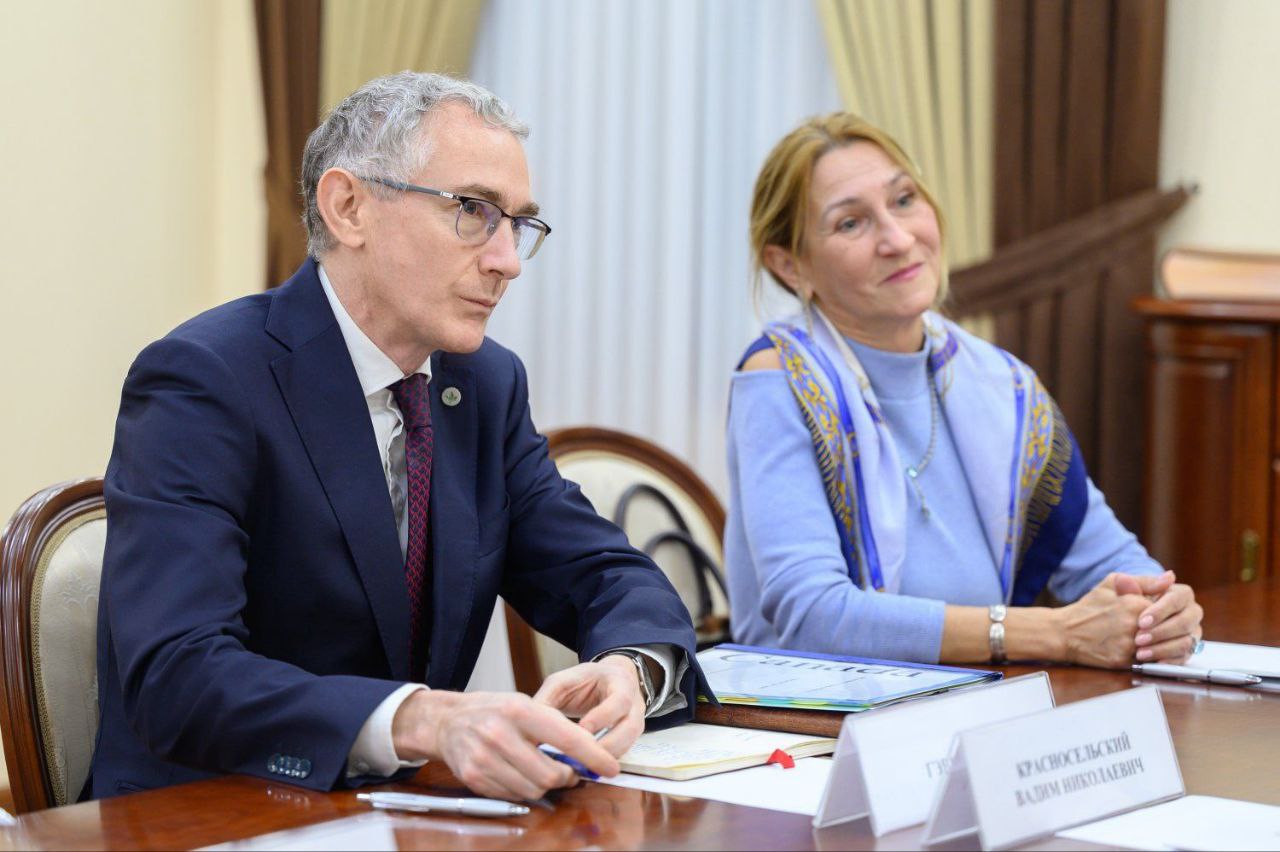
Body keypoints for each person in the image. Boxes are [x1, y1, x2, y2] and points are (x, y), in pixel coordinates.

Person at [90, 72, 704, 802]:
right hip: (209, 813)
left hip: (402, 815)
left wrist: (632, 667)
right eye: (473, 211)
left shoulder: (483, 384)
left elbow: (602, 573)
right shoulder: (206, 378)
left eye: (517, 224)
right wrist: (423, 720)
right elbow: (177, 674)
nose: (507, 261)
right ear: (349, 208)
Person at [725, 112, 1202, 670]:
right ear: (790, 266)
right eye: (851, 223)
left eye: (904, 200)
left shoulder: (999, 382)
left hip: (977, 702)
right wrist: (1053, 632)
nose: (898, 239)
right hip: (811, 715)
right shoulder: (780, 378)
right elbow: (814, 616)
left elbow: (1112, 561)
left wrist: (1160, 612)